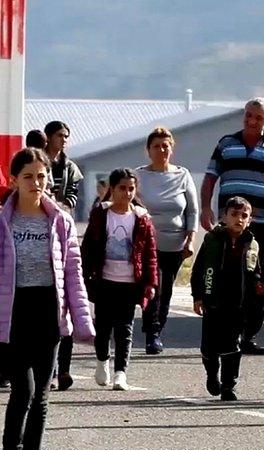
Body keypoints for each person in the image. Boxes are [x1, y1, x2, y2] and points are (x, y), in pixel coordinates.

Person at [0, 147, 94, 450]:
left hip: (49, 312)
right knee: (24, 391)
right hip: (13, 314)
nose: (36, 183)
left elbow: (73, 275)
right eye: (28, 176)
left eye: (42, 177)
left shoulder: (59, 221)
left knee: (42, 396)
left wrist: (82, 321)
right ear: (14, 180)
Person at [200, 97, 264, 356]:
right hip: (229, 226)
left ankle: (248, 335)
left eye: (258, 117)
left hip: (262, 226)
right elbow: (209, 178)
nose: (252, 121)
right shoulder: (226, 144)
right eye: (249, 115)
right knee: (226, 279)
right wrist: (206, 208)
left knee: (258, 282)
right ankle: (225, 333)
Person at [81, 168, 157, 391]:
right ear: (112, 189)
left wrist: (151, 283)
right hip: (104, 280)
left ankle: (121, 372)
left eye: (131, 188)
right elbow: (89, 247)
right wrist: (84, 276)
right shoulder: (101, 214)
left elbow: (150, 253)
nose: (127, 193)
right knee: (103, 326)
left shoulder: (142, 218)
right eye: (122, 188)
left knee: (125, 328)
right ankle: (102, 361)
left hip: (130, 282)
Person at [191, 196, 262, 401]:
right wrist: (198, 296)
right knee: (209, 346)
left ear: (250, 220)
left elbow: (255, 272)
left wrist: (259, 288)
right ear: (224, 216)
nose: (239, 219)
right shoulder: (213, 240)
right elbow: (199, 270)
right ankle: (212, 375)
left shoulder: (252, 244)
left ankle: (229, 385)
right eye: (234, 214)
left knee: (233, 345)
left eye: (244, 216)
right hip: (213, 302)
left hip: (238, 304)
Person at [136, 126, 198, 355]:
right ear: (148, 150)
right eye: (156, 146)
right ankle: (152, 333)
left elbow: (192, 210)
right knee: (154, 286)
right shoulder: (139, 175)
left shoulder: (182, 175)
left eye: (165, 146)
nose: (161, 150)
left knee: (166, 291)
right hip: (148, 244)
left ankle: (156, 329)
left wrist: (190, 239)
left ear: (172, 149)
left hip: (176, 243)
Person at [44, 120, 85, 389]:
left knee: (65, 303)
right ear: (48, 137)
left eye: (67, 136)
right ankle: (50, 367)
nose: (64, 140)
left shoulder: (70, 167)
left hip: (62, 232)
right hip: (40, 234)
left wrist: (63, 204)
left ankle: (64, 369)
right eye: (60, 135)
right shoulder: (38, 162)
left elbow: (73, 195)